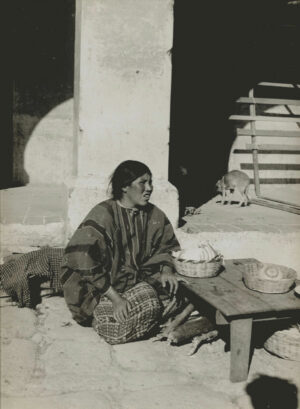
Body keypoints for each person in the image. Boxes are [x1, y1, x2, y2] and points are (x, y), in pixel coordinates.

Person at [60, 160, 183, 344]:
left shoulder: (154, 214)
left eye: (151, 183)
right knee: (115, 331)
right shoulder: (104, 214)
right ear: (125, 186)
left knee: (184, 290)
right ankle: (138, 313)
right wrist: (116, 299)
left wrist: (166, 269)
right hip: (101, 289)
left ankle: (150, 308)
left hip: (138, 281)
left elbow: (167, 245)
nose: (149, 188)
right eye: (143, 182)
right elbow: (80, 256)